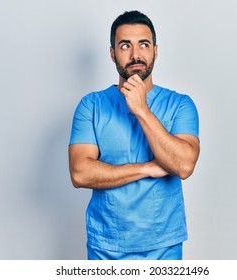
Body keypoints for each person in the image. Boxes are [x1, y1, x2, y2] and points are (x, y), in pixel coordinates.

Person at [68, 10, 200, 260]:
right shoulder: (92, 105)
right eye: (125, 45)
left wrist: (141, 109)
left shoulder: (180, 105)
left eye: (144, 44)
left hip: (163, 247)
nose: (135, 54)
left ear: (155, 51)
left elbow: (183, 165)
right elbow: (80, 172)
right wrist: (147, 168)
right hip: (106, 247)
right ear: (112, 53)